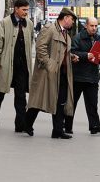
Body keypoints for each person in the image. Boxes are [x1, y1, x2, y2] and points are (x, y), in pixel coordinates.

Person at [24, 8, 79, 139]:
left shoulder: (65, 33)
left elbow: (61, 51)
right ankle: (26, 123)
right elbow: (40, 47)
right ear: (65, 18)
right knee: (38, 101)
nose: (72, 23)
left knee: (60, 102)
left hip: (62, 73)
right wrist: (50, 65)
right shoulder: (50, 29)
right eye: (72, 20)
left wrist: (70, 57)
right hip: (48, 73)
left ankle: (57, 131)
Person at [0, 0, 33, 131]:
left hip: (22, 66)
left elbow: (30, 43)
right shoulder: (5, 23)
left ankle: (20, 125)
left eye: (27, 10)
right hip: (6, 64)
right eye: (24, 10)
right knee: (0, 94)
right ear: (16, 9)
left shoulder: (29, 24)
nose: (26, 12)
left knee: (21, 96)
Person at [64, 17, 100, 135]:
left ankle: (94, 126)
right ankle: (67, 126)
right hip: (78, 76)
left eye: (96, 26)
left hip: (92, 77)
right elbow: (72, 53)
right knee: (72, 103)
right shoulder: (78, 38)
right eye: (92, 26)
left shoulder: (98, 38)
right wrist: (85, 55)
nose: (94, 28)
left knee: (92, 104)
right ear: (86, 26)